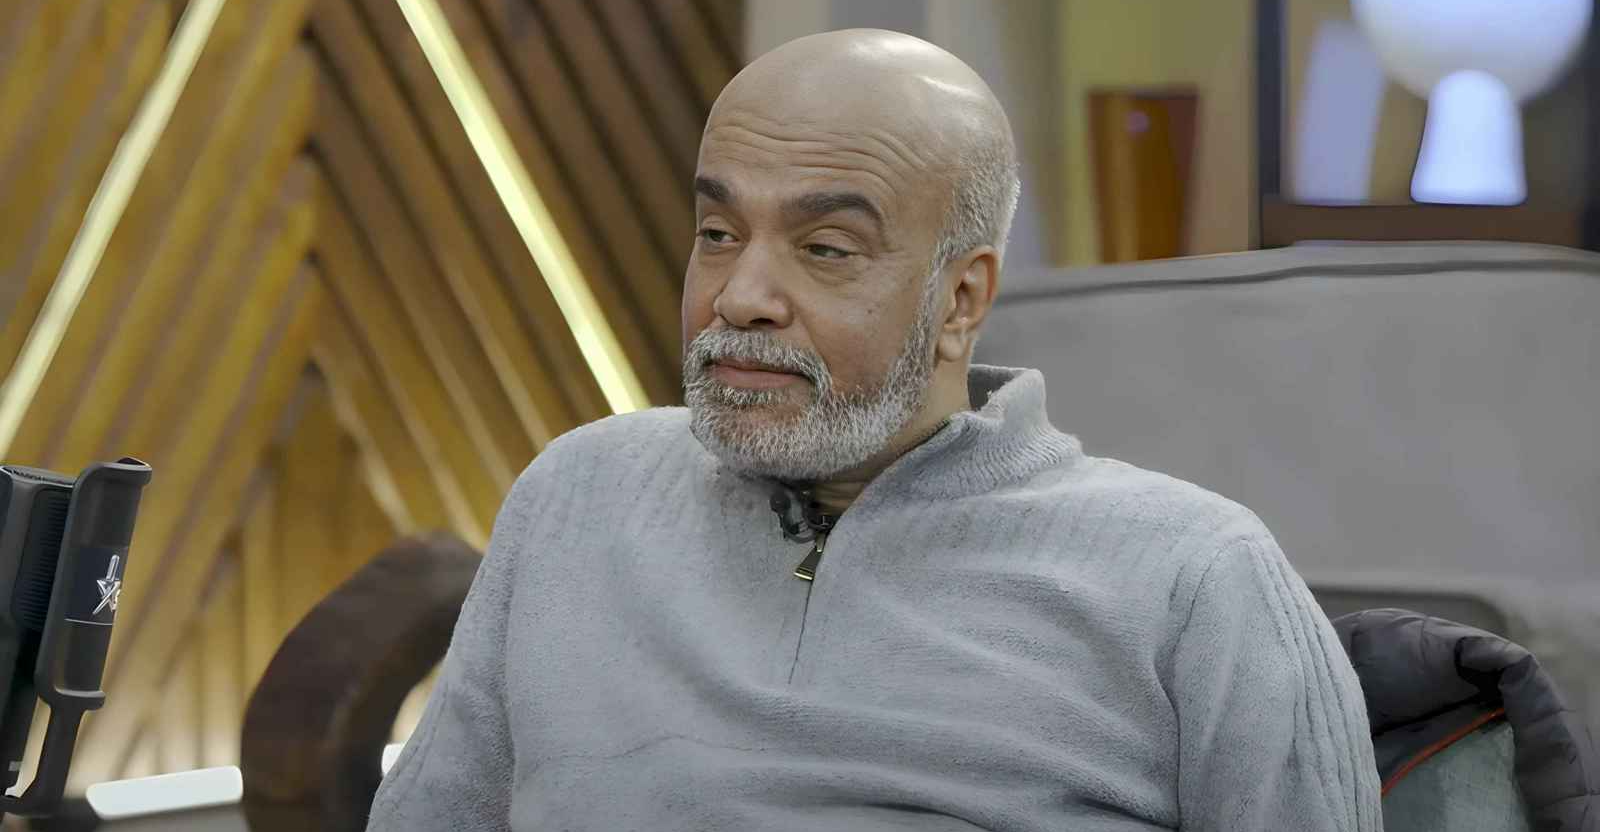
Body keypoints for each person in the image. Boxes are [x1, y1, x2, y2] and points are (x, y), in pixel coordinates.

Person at [366, 29, 1381, 831]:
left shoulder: (1191, 576)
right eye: (717, 233)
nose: (740, 297)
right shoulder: (578, 497)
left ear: (959, 299)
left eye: (826, 248)